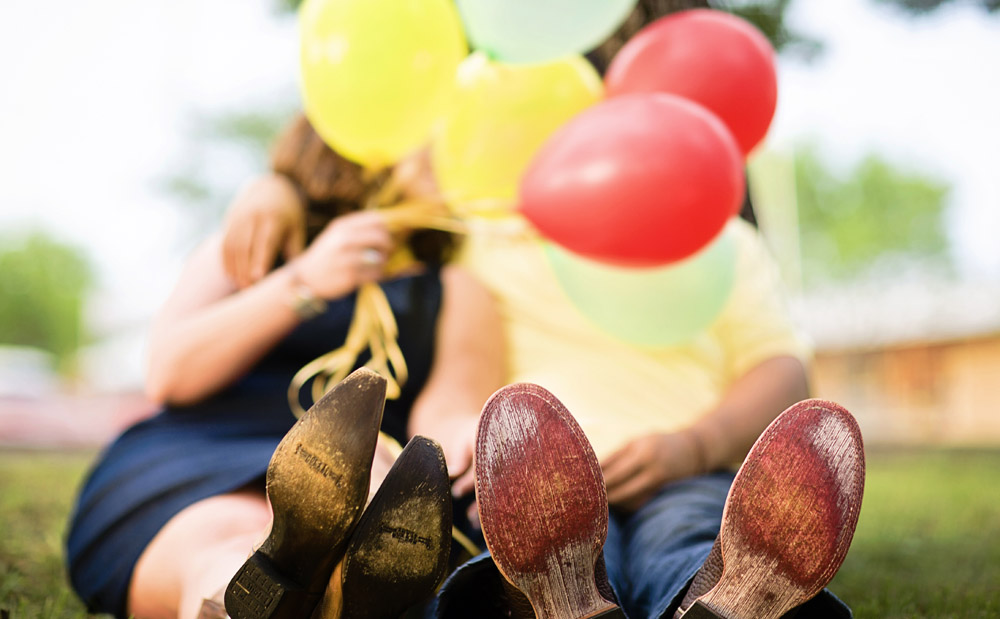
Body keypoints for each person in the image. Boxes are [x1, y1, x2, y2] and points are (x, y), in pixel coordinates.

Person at [219, 173, 863, 618]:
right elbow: (367, 207)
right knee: (537, 538)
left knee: (688, 526)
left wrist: (692, 446)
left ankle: (723, 596)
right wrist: (275, 186)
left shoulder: (717, 240)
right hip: (532, 474)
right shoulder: (475, 229)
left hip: (684, 463)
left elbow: (781, 369)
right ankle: (694, 599)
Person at [64, 114, 505, 619]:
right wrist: (305, 280)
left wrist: (461, 445)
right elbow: (171, 373)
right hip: (205, 452)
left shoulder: (455, 289)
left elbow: (449, 408)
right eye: (430, 127)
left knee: (343, 498)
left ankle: (287, 584)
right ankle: (254, 594)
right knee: (225, 538)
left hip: (371, 476)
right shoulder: (259, 240)